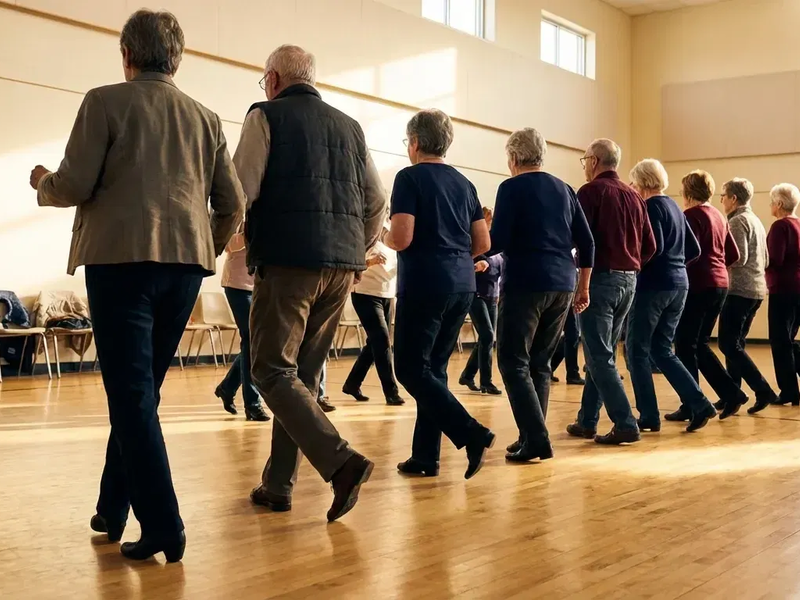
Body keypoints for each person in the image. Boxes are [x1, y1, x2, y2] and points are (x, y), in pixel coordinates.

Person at [29, 9, 244, 562]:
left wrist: (41, 182)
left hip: (120, 264)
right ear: (177, 57)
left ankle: (165, 526)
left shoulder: (104, 101)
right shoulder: (207, 117)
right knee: (140, 393)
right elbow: (234, 203)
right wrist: (205, 245)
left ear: (127, 55)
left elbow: (73, 183)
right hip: (183, 271)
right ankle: (111, 506)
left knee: (129, 397)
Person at [241, 45, 386, 521]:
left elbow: (244, 188)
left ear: (274, 78)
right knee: (299, 377)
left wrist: (225, 241)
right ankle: (277, 484)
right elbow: (376, 200)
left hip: (289, 261)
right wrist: (356, 247)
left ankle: (341, 462)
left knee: (270, 371)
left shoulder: (266, 116)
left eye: (265, 81)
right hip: (343, 267)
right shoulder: (351, 126)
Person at [388, 109, 495, 479]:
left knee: (409, 368)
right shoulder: (464, 184)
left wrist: (383, 237)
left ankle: (471, 433)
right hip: (462, 285)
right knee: (434, 370)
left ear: (415, 142)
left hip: (424, 283)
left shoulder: (409, 178)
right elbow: (483, 242)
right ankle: (425, 457)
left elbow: (401, 237)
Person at [492, 128, 594, 462]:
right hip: (563, 283)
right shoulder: (565, 189)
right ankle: (530, 436)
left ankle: (536, 438)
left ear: (513, 158)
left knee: (511, 360)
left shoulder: (510, 187)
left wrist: (475, 236)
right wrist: (584, 286)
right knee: (539, 363)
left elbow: (498, 241)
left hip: (526, 282)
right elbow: (587, 243)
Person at [566, 139, 657, 445]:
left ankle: (625, 421)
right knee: (600, 351)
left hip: (600, 280)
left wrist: (582, 284)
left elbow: (579, 241)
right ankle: (587, 420)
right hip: (629, 281)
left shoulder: (590, 192)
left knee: (598, 354)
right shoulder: (635, 195)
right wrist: (630, 265)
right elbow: (651, 245)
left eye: (584, 161)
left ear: (593, 161)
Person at [624, 159, 717, 433]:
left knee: (636, 349)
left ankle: (649, 415)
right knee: (661, 349)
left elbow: (654, 247)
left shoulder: (650, 206)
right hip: (680, 284)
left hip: (654, 285)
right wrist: (676, 267)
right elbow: (695, 249)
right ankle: (700, 403)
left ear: (642, 183)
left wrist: (635, 266)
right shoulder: (676, 206)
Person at [668, 170, 745, 422]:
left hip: (699, 285)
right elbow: (732, 255)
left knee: (685, 345)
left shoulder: (690, 215)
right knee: (699, 344)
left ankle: (691, 404)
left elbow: (687, 251)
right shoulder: (718, 216)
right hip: (720, 285)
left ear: (687, 192)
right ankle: (731, 393)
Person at [717, 178, 777, 414]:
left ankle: (762, 390)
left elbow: (736, 257)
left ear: (733, 198)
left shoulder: (737, 221)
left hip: (739, 290)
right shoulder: (756, 220)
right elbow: (767, 259)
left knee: (727, 344)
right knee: (735, 344)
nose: (721, 200)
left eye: (723, 195)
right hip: (756, 289)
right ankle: (731, 394)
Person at [342, 220, 405, 406]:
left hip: (387, 293)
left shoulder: (390, 234)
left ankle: (352, 383)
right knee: (382, 340)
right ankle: (391, 392)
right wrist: (370, 261)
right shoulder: (363, 232)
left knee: (375, 343)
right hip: (365, 293)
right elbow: (350, 261)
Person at [215, 224, 270, 421]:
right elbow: (228, 245)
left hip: (263, 285)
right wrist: (253, 230)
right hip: (238, 285)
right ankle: (252, 404)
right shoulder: (241, 209)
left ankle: (227, 387)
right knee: (251, 339)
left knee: (255, 342)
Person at [459, 206, 504, 396]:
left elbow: (499, 265)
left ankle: (468, 375)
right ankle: (486, 381)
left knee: (488, 337)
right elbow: (468, 261)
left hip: (492, 294)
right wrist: (479, 263)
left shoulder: (497, 243)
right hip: (475, 293)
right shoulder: (473, 242)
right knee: (487, 335)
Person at [766, 184, 800, 407]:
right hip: (798, 289)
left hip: (784, 289)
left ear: (779, 204)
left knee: (780, 342)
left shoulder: (780, 226)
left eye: (771, 202)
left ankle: (788, 391)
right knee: (789, 340)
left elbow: (774, 259)